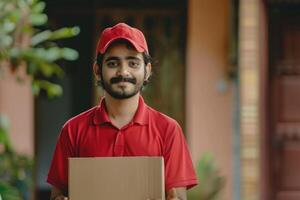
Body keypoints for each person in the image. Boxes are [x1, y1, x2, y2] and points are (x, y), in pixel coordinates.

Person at [47, 23, 198, 200]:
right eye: (113, 63)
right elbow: (57, 196)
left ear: (147, 70)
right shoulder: (73, 130)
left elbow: (178, 197)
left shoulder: (168, 130)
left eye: (133, 63)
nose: (123, 71)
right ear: (97, 70)